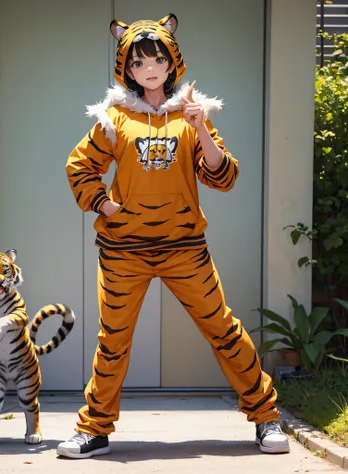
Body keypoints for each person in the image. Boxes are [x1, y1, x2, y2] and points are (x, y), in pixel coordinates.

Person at [57, 13, 290, 459]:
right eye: (139, 61)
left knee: (223, 329)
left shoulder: (190, 115)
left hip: (185, 249)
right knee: (113, 341)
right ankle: (95, 430)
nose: (149, 68)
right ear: (127, 68)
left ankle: (266, 417)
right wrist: (103, 204)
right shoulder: (115, 117)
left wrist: (201, 125)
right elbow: (79, 165)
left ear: (171, 63)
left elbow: (223, 176)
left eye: (157, 59)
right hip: (123, 251)